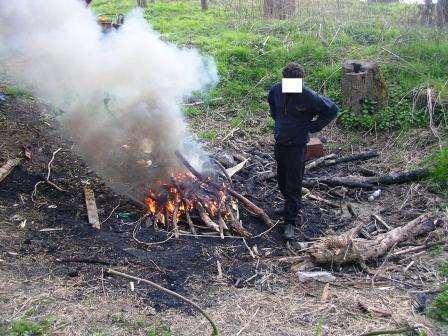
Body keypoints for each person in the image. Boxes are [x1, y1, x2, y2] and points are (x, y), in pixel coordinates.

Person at [268, 63, 339, 240]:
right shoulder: (276, 90)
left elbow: (332, 110)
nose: (291, 86)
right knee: (282, 180)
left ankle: (291, 221)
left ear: (300, 81)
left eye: (295, 83)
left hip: (297, 147)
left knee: (293, 183)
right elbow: (273, 108)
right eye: (288, 82)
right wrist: (280, 124)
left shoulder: (309, 96)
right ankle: (289, 206)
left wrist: (313, 126)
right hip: (281, 143)